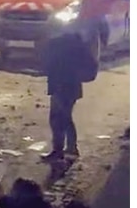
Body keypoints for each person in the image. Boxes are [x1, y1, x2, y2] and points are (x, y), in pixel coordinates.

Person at [42, 30, 97, 161]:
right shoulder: (76, 43)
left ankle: (62, 150)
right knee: (64, 118)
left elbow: (48, 64)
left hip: (61, 87)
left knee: (59, 119)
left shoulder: (59, 44)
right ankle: (68, 148)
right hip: (70, 87)